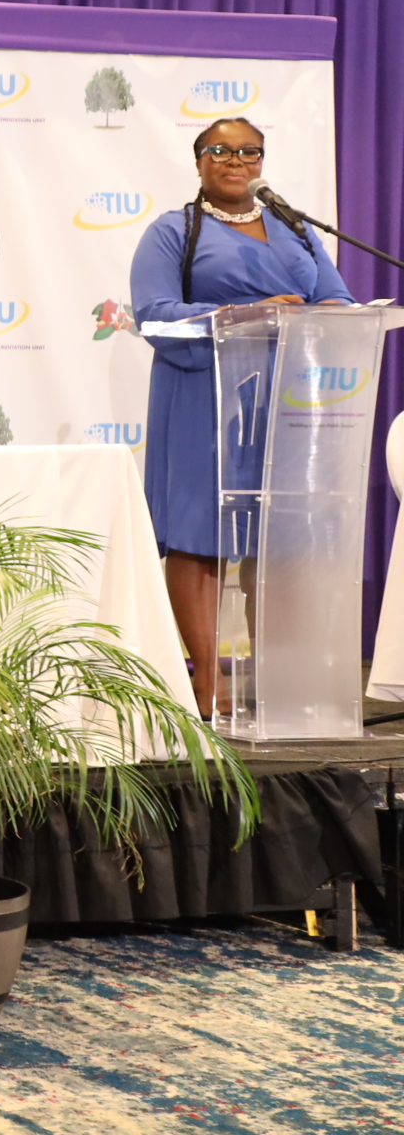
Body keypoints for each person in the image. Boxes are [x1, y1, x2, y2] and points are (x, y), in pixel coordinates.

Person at [130, 117, 352, 713]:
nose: (236, 160)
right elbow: (154, 315)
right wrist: (247, 314)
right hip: (204, 396)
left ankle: (279, 676)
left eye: (249, 151)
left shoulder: (295, 228)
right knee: (199, 538)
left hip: (286, 400)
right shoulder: (174, 231)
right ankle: (207, 676)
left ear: (261, 162)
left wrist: (329, 316)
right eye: (220, 150)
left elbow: (338, 300)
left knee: (275, 541)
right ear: (199, 160)